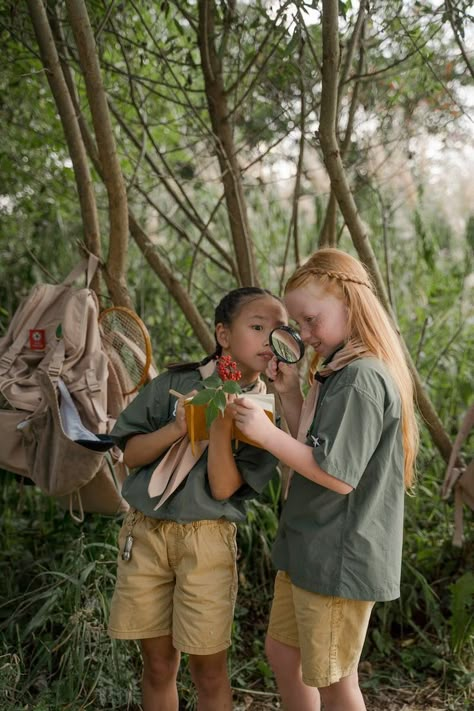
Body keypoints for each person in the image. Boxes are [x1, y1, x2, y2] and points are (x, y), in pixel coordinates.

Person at [230, 249, 419, 711]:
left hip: (338, 554)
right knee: (284, 653)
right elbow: (313, 446)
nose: (306, 334)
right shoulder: (336, 371)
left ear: (350, 306)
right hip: (310, 546)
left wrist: (265, 435)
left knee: (334, 681)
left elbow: (335, 475)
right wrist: (290, 393)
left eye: (312, 320)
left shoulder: (360, 378)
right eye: (298, 324)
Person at [107, 287, 288, 711]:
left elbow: (224, 489)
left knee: (208, 670)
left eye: (278, 332)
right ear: (223, 335)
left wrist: (221, 425)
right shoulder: (175, 382)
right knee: (156, 665)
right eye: (258, 328)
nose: (269, 340)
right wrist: (179, 424)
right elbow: (131, 456)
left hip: (206, 541)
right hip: (147, 534)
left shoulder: (266, 411)